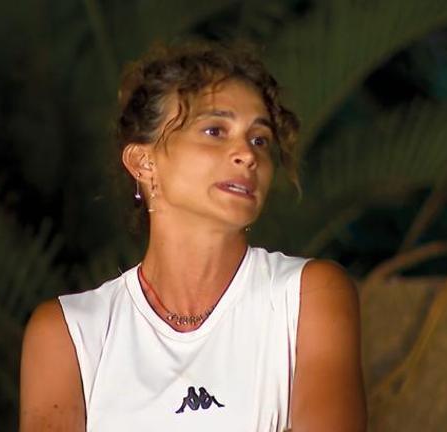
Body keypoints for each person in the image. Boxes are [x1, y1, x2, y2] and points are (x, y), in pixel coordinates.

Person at [19, 41, 366, 432]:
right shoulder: (69, 332)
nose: (247, 155)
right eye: (215, 130)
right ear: (143, 162)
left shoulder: (307, 296)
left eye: (259, 139)